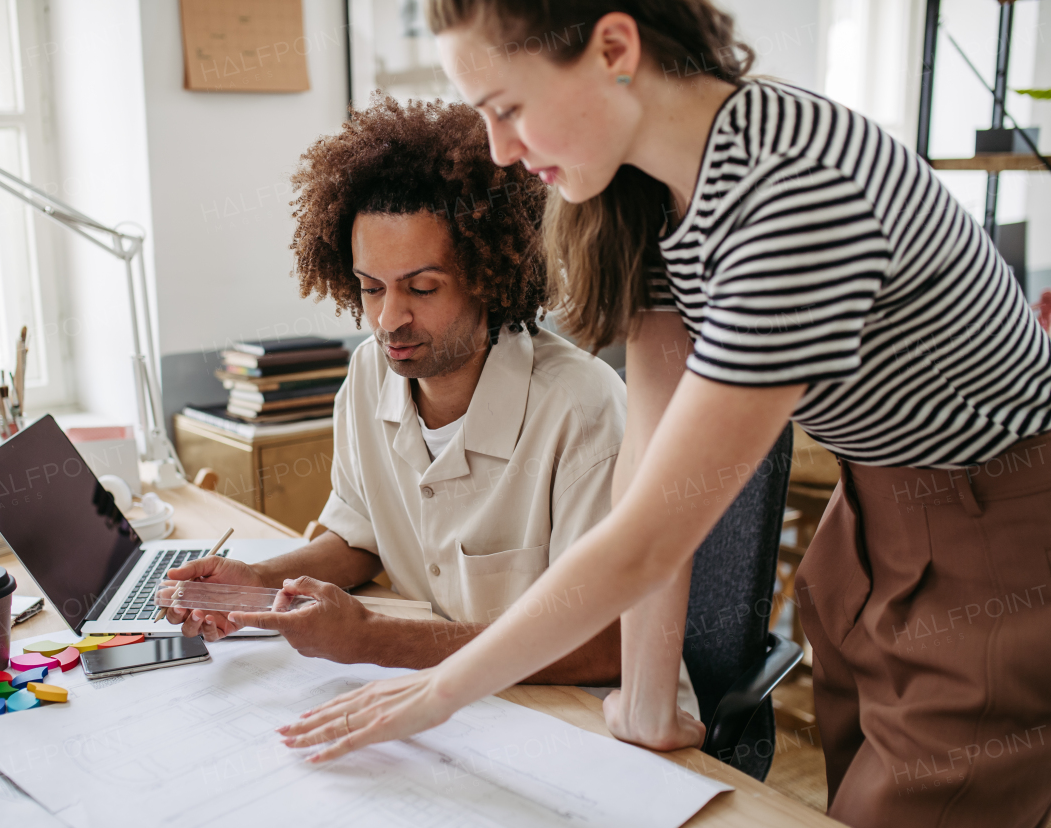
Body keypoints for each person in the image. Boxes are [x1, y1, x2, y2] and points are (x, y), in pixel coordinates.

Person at [272, 4, 1051, 828]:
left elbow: (649, 538)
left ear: (614, 49)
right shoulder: (646, 192)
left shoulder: (794, 194)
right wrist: (647, 704)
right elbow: (649, 470)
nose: (499, 148)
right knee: (848, 818)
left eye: (507, 107)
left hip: (998, 526)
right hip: (872, 508)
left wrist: (431, 691)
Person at [166, 96, 698, 704]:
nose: (389, 319)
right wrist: (257, 582)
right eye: (370, 288)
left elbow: (610, 644)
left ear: (492, 278)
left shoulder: (580, 408)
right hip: (457, 704)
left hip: (580, 715)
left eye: (422, 287)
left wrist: (375, 640)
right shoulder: (369, 375)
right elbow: (359, 536)